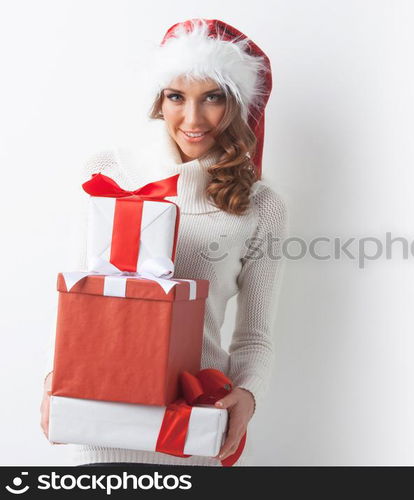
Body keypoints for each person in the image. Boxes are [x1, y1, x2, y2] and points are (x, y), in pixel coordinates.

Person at [39, 18, 288, 467]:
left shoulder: (261, 204)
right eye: (177, 97)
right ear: (160, 100)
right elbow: (79, 299)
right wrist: (54, 379)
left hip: (191, 420)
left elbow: (254, 336)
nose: (192, 119)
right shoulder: (109, 173)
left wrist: (248, 395)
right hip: (98, 416)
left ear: (236, 105)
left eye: (212, 97)